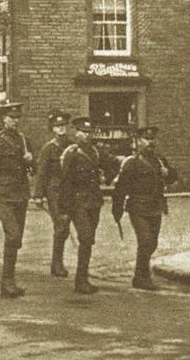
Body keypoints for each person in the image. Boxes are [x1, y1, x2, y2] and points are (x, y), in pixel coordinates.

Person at [0, 102, 35, 298]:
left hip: (20, 195)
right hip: (3, 196)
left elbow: (32, 169)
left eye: (17, 117)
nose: (15, 121)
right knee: (12, 235)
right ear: (4, 119)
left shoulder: (23, 140)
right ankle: (6, 282)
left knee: (17, 238)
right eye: (11, 118)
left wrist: (30, 160)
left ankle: (10, 280)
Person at [113, 126, 178, 290]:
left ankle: (139, 276)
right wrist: (117, 210)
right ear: (139, 141)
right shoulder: (132, 162)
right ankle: (142, 277)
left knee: (153, 243)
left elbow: (172, 178)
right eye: (146, 139)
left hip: (156, 206)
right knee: (145, 240)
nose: (150, 142)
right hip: (138, 207)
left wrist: (167, 173)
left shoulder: (160, 160)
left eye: (152, 139)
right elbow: (121, 188)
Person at [59, 117, 117, 294]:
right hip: (78, 202)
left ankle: (83, 278)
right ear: (76, 133)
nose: (86, 135)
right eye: (83, 132)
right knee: (84, 237)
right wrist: (64, 209)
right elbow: (65, 182)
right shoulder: (72, 153)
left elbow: (111, 165)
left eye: (89, 132)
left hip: (94, 201)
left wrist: (107, 177)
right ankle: (80, 280)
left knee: (89, 239)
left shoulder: (95, 151)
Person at [33, 110, 74, 277]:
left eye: (63, 125)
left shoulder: (72, 146)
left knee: (64, 226)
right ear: (53, 129)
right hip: (55, 192)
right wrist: (38, 194)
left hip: (69, 191)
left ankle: (58, 262)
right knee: (61, 225)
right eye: (57, 126)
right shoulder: (49, 149)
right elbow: (41, 173)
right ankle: (56, 264)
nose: (61, 128)